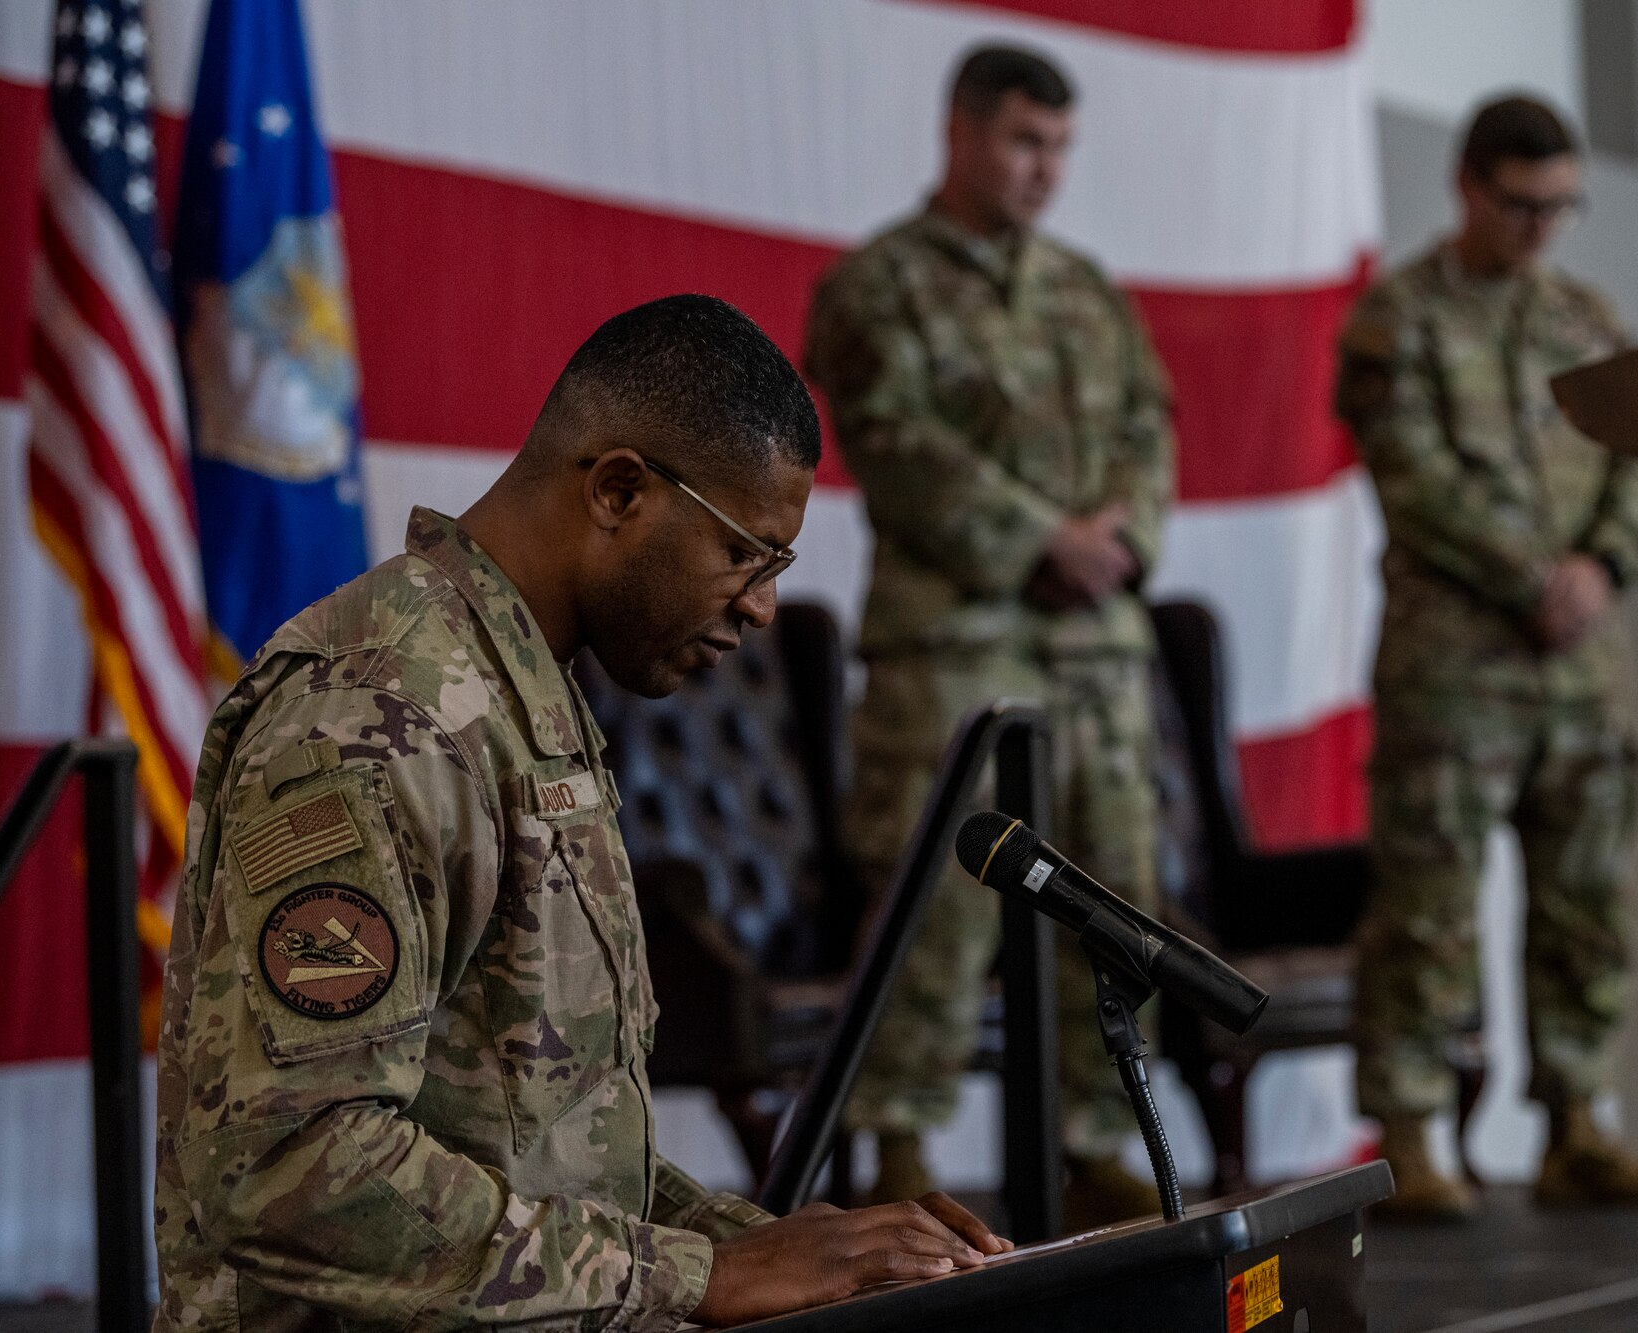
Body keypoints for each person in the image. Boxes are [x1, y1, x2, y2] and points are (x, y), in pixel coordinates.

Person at [151, 295, 1010, 1330]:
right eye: (747, 551)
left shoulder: (525, 695)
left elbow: (547, 1145)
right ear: (617, 491)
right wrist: (698, 1276)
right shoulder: (380, 718)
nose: (761, 605)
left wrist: (789, 1248)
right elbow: (288, 1165)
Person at [803, 45, 1175, 1230]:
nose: (1042, 171)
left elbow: (1148, 426)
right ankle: (899, 1140)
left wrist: (1125, 535)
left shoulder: (1086, 286)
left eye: (1059, 148)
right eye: (1022, 141)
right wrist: (1039, 540)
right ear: (958, 132)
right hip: (956, 647)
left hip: (1096, 652)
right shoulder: (878, 284)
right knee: (940, 903)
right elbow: (898, 448)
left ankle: (1096, 1139)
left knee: (1114, 893)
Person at [1336, 96, 1638, 1219]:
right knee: (1427, 909)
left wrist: (1603, 564)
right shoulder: (1395, 321)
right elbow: (1413, 480)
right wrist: (1531, 579)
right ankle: (1409, 1135)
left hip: (1579, 676)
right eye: (1521, 204)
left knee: (1586, 906)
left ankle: (1576, 1125)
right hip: (1454, 676)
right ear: (1467, 187)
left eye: (1560, 205)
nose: (1543, 226)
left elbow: (1637, 458)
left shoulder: (1589, 322)